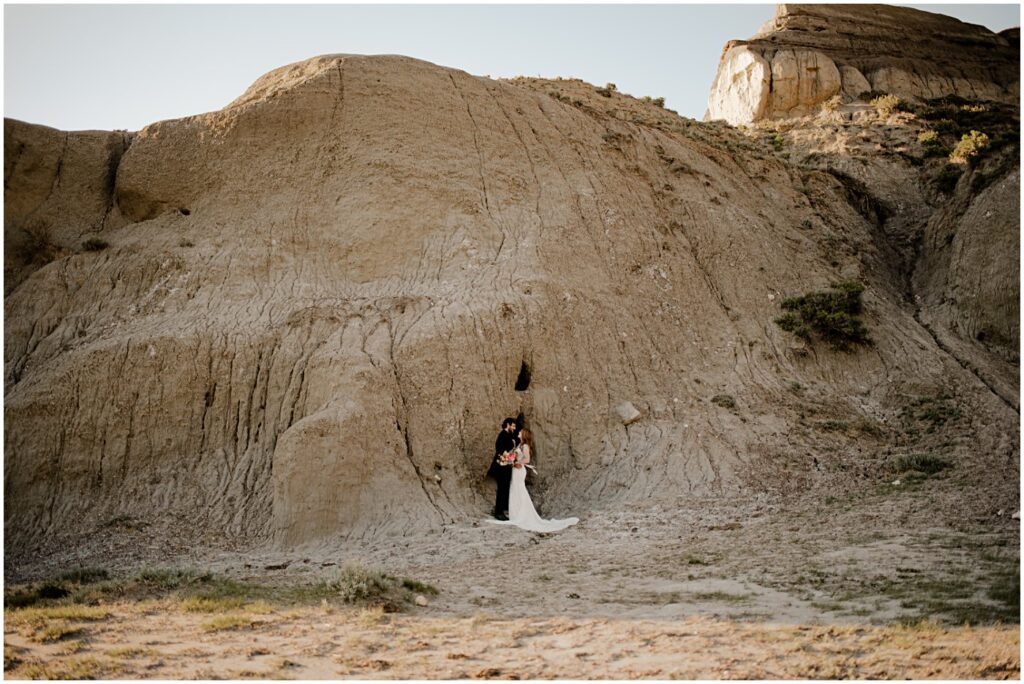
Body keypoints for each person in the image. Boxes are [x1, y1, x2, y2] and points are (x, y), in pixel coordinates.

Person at [488, 428, 579, 533]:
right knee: (514, 489)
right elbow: (515, 456)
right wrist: (509, 460)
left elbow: (527, 459)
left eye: (520, 432)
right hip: (515, 470)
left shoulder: (525, 446)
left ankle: (521, 514)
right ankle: (516, 513)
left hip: (519, 470)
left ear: (524, 435)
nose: (518, 432)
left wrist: (518, 463)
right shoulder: (519, 445)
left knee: (519, 489)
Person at [486, 417, 519, 520]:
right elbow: (500, 450)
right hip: (501, 466)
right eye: (513, 426)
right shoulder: (502, 435)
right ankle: (498, 512)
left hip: (507, 466)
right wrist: (509, 459)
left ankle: (503, 510)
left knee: (505, 488)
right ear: (508, 425)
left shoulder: (509, 436)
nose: (514, 428)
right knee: (501, 489)